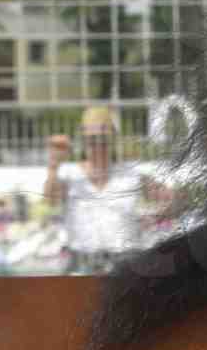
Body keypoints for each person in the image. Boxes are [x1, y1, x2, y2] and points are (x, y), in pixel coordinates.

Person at [44, 107, 147, 275]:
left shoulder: (131, 174)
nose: (98, 146)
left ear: (112, 140)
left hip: (126, 264)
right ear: (84, 141)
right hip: (82, 263)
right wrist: (53, 165)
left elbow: (170, 201)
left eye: (103, 139)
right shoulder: (70, 174)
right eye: (92, 140)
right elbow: (50, 200)